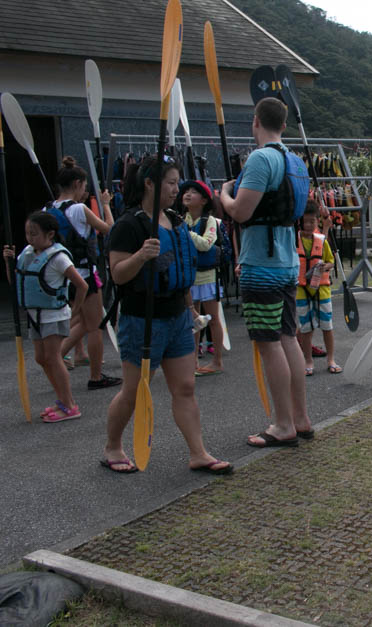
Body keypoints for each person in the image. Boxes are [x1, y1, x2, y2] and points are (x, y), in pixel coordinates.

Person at [101, 155, 232, 475]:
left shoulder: (175, 221)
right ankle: (113, 447)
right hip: (142, 320)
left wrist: (190, 310)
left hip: (177, 318)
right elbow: (117, 274)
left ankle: (198, 452)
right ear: (149, 184)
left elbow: (180, 270)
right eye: (171, 183)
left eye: (177, 183)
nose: (177, 190)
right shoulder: (128, 225)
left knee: (185, 387)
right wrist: (140, 256)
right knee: (134, 391)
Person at [220, 97, 313, 446]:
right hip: (288, 262)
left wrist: (224, 194)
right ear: (284, 125)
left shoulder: (260, 159)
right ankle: (300, 418)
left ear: (256, 121)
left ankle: (283, 424)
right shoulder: (296, 161)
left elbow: (240, 212)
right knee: (288, 338)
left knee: (269, 343)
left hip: (262, 265)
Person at [45, 157, 122, 391]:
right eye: (84, 186)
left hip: (62, 275)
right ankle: (96, 376)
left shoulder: (47, 209)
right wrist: (106, 205)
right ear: (78, 183)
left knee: (81, 321)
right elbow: (109, 229)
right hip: (85, 273)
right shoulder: (79, 209)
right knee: (95, 325)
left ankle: (56, 357)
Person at [4, 211, 87, 422]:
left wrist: (75, 311)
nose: (30, 238)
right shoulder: (27, 254)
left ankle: (70, 406)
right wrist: (8, 262)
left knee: (53, 358)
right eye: (27, 233)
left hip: (53, 315)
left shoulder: (59, 258)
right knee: (41, 358)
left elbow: (82, 285)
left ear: (50, 234)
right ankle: (63, 400)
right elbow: (16, 282)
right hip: (35, 316)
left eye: (34, 233)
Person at [178, 179, 225, 376]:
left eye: (193, 192)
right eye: (186, 191)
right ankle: (193, 360)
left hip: (208, 276)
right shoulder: (182, 219)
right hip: (189, 276)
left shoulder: (209, 221)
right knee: (193, 321)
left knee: (213, 319)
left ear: (204, 200)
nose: (188, 194)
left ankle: (217, 361)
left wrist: (186, 233)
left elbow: (206, 244)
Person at [296, 203, 342, 377]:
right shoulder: (293, 240)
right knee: (305, 328)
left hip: (322, 290)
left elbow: (331, 262)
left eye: (312, 221)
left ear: (317, 221)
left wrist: (325, 267)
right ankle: (308, 361)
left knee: (327, 326)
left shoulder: (321, 240)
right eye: (305, 221)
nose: (308, 225)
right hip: (301, 291)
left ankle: (331, 359)